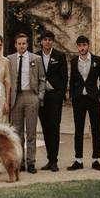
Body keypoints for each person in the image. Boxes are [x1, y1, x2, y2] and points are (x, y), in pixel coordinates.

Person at [7, 32, 45, 174]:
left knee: (31, 132)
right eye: (19, 43)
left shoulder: (36, 58)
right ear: (15, 45)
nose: (21, 46)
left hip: (31, 97)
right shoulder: (9, 59)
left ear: (27, 44)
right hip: (16, 97)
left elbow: (42, 79)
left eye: (24, 43)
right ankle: (20, 162)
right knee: (17, 133)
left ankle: (31, 162)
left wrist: (39, 97)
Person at [67, 35, 100, 171]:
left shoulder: (97, 60)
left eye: (84, 45)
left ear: (88, 45)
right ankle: (78, 160)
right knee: (78, 130)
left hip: (93, 99)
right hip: (79, 99)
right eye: (80, 45)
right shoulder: (73, 61)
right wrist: (72, 96)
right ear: (77, 47)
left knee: (96, 129)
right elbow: (72, 80)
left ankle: (95, 160)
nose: (82, 48)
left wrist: (99, 95)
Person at [37, 31, 67, 172]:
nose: (47, 42)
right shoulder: (35, 56)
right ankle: (49, 159)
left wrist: (59, 94)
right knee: (45, 128)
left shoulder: (59, 56)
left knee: (54, 128)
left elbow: (64, 77)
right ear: (41, 41)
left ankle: (54, 161)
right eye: (45, 39)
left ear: (53, 41)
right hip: (41, 98)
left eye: (50, 39)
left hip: (55, 97)